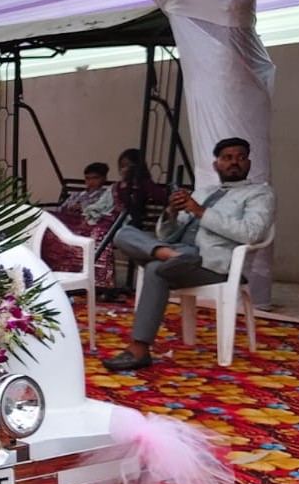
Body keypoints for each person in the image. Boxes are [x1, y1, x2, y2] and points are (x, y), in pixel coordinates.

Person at [102, 137, 274, 371]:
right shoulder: (204, 192)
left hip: (210, 264)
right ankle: (166, 254)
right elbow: (166, 234)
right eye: (227, 158)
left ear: (249, 163)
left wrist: (201, 212)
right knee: (123, 233)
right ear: (216, 165)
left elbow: (251, 233)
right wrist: (172, 212)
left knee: (154, 268)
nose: (234, 162)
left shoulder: (259, 194)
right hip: (180, 254)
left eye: (240, 157)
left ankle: (138, 350)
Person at [44, 161, 121, 289]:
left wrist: (83, 207)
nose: (90, 182)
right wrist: (70, 207)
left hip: (89, 223)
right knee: (49, 220)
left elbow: (102, 210)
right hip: (71, 222)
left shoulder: (106, 195)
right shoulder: (79, 195)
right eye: (87, 179)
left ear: (103, 179)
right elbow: (62, 208)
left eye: (94, 178)